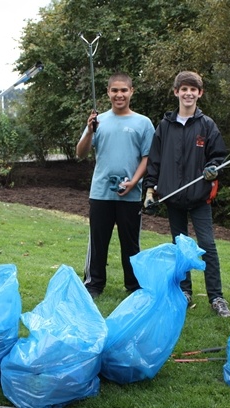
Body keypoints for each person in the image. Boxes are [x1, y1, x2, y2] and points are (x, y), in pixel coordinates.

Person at [144, 71, 230, 317]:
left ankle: (216, 297)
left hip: (199, 198)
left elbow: (218, 156)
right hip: (173, 198)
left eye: (193, 89)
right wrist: (150, 189)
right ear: (176, 92)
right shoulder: (165, 126)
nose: (188, 93)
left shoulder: (207, 125)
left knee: (207, 246)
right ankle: (184, 291)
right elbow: (155, 161)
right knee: (179, 248)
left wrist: (213, 169)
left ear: (199, 94)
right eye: (184, 89)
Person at [76, 72, 155, 298]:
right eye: (114, 90)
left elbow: (148, 157)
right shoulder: (98, 121)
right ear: (108, 92)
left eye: (123, 90)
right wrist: (89, 131)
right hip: (100, 192)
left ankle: (134, 285)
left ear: (131, 92)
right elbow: (80, 153)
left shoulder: (143, 123)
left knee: (130, 244)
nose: (119, 95)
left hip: (129, 194)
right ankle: (93, 284)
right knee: (98, 242)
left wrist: (135, 182)